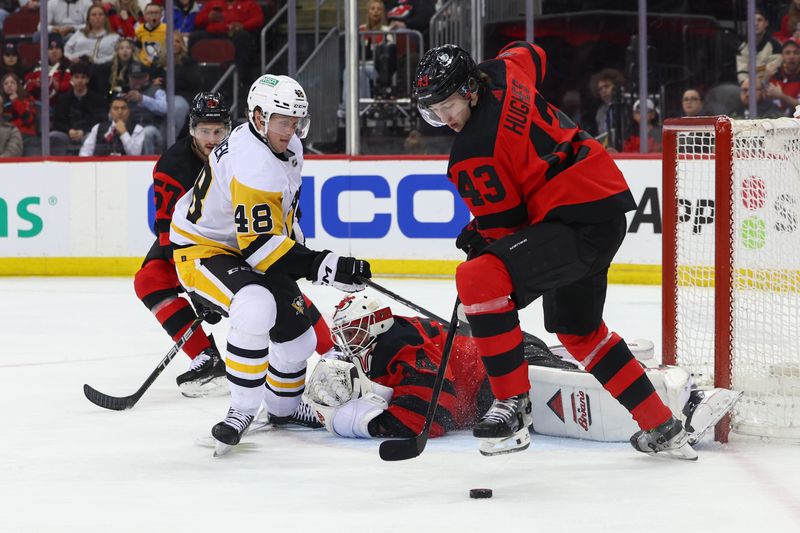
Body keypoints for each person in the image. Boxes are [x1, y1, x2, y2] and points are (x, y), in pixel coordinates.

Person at [409, 42, 698, 459]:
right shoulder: (504, 72)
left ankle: (512, 403)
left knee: (477, 277)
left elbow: (507, 229)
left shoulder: (471, 154)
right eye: (435, 111)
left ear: (471, 89)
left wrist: (481, 243)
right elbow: (532, 52)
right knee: (580, 333)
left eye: (449, 104)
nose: (445, 118)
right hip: (604, 202)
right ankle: (662, 424)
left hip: (573, 222)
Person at [169, 74, 372, 454]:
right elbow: (261, 248)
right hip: (203, 249)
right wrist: (323, 265)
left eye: (296, 121)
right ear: (259, 117)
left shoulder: (288, 143)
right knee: (255, 305)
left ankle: (283, 410)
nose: (292, 129)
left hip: (245, 246)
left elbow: (281, 213)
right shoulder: (251, 162)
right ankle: (240, 411)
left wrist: (302, 253)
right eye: (284, 120)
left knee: (300, 340)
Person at [305, 293, 742, 445]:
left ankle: (689, 396)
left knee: (583, 389)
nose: (349, 342)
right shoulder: (389, 337)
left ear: (375, 327)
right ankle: (630, 362)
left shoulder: (398, 351)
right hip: (504, 360)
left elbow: (429, 419)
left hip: (507, 371)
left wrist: (355, 423)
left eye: (354, 332)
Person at [51, 60, 105, 155]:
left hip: (88, 133)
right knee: (54, 136)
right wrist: (69, 130)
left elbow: (99, 120)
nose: (80, 80)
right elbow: (58, 121)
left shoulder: (97, 99)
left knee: (92, 137)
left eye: (83, 77)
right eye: (76, 77)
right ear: (71, 78)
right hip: (67, 133)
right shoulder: (63, 99)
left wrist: (83, 131)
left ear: (88, 79)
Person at [79, 91, 145, 155]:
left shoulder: (138, 129)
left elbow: (135, 154)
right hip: (101, 164)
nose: (120, 112)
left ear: (128, 111)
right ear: (110, 111)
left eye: (123, 108)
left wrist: (124, 133)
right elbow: (85, 152)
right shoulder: (98, 128)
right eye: (116, 108)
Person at [736, 6, 783, 86]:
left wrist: (758, 85)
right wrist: (746, 86)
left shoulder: (775, 46)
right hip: (748, 89)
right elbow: (742, 74)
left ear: (766, 23)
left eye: (759, 20)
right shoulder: (742, 47)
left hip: (769, 87)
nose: (755, 23)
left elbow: (772, 73)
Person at [23, 33, 72, 106]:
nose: (54, 51)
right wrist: (36, 83)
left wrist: (58, 86)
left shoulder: (69, 66)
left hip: (59, 104)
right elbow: (27, 83)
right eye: (50, 49)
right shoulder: (38, 66)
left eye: (57, 48)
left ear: (62, 51)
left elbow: (71, 86)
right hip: (38, 103)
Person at [1, 72, 38, 155]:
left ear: (18, 85)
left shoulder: (28, 99)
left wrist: (16, 102)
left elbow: (29, 120)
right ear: (2, 87)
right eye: (6, 83)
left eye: (12, 83)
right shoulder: (1, 102)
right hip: (6, 136)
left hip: (26, 135)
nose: (9, 85)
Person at [767, 37, 800, 115]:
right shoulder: (774, 74)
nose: (791, 57)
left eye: (796, 53)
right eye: (787, 53)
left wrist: (781, 96)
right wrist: (765, 78)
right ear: (782, 56)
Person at [134, 3, 166, 67]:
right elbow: (136, 49)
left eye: (156, 13)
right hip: (143, 66)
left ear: (161, 15)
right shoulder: (138, 30)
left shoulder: (167, 29)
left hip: (161, 65)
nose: (153, 15)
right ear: (145, 15)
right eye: (150, 13)